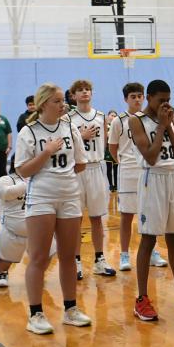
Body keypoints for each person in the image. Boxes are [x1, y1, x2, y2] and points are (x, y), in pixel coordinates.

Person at [15, 83, 91, 334]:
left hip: (69, 194)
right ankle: (35, 313)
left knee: (69, 256)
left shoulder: (70, 127)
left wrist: (63, 175)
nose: (63, 105)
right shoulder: (29, 131)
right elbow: (23, 170)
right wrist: (46, 153)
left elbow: (80, 163)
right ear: (44, 103)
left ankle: (70, 309)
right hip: (41, 197)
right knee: (39, 257)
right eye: (58, 101)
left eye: (63, 101)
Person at [128, 79, 174, 321]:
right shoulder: (136, 120)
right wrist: (161, 126)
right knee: (149, 239)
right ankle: (141, 299)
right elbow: (150, 157)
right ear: (149, 98)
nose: (166, 104)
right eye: (161, 100)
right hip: (153, 178)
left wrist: (169, 126)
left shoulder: (170, 119)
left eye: (168, 100)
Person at [108, 83, 167, 272]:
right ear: (126, 99)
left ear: (145, 97)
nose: (137, 99)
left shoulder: (151, 119)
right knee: (126, 216)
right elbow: (112, 147)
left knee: (149, 214)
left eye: (140, 96)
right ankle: (124, 255)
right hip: (127, 171)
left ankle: (152, 252)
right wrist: (123, 162)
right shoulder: (119, 121)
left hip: (147, 169)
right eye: (133, 96)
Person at [67, 80, 115, 279]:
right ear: (73, 95)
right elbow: (66, 145)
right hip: (77, 170)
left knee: (97, 218)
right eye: (80, 90)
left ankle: (99, 259)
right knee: (75, 219)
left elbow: (104, 143)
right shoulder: (68, 118)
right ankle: (75, 261)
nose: (85, 92)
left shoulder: (101, 116)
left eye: (87, 89)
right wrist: (81, 136)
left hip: (96, 167)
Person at [0, 168, 56, 287]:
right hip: (12, 228)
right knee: (3, 257)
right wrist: (26, 184)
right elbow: (4, 193)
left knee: (48, 253)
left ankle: (38, 272)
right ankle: (2, 274)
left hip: (37, 226)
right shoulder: (7, 179)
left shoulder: (39, 177)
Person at [104, 111, 118, 192]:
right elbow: (106, 136)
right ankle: (110, 185)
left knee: (116, 169)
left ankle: (116, 185)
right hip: (108, 149)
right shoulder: (106, 126)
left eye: (115, 116)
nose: (113, 117)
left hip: (116, 149)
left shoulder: (116, 126)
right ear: (108, 116)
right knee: (109, 168)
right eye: (112, 115)